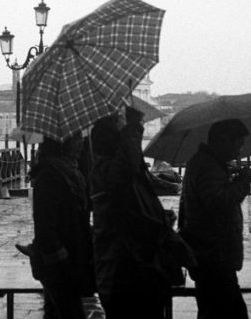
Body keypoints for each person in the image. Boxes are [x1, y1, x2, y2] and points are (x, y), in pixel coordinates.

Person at [90, 106, 174, 319]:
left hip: (128, 268)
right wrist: (134, 127)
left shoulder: (108, 170)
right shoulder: (113, 171)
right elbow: (126, 169)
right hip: (128, 270)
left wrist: (159, 216)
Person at [178, 118, 251, 319]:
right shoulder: (208, 166)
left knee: (212, 309)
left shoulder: (205, 163)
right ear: (223, 141)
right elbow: (219, 203)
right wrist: (243, 182)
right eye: (238, 144)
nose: (240, 150)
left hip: (208, 253)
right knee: (230, 311)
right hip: (214, 254)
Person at [28, 133, 93, 319]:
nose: (82, 143)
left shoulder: (71, 171)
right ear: (63, 144)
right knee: (71, 312)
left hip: (71, 252)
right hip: (59, 259)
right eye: (77, 139)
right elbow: (44, 221)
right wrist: (57, 252)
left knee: (55, 311)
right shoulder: (50, 175)